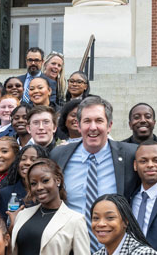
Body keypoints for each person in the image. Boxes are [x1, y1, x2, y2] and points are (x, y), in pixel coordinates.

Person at [51, 96, 140, 247]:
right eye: (87, 121)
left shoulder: (130, 155)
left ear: (109, 125)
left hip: (116, 249)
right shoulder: (59, 155)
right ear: (78, 126)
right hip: (70, 248)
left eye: (99, 121)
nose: (93, 127)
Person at [0, 143, 48, 216]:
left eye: (33, 160)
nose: (27, 163)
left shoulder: (49, 193)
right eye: (23, 159)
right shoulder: (5, 193)